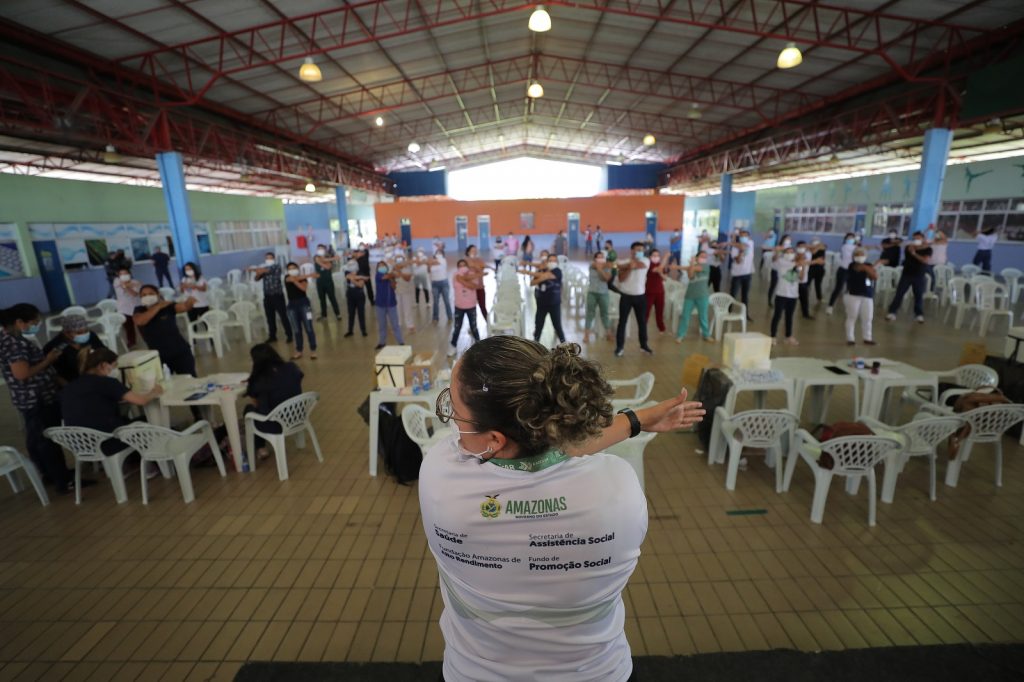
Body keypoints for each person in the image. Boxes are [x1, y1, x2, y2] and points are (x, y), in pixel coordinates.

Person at [419, 336, 705, 682]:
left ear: (494, 440)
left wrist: (635, 421)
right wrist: (635, 420)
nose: (453, 422)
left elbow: (563, 446)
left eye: (454, 410)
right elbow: (565, 446)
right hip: (597, 673)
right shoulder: (619, 490)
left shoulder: (441, 478)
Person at [0, 304, 82, 495]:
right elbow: (22, 374)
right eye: (34, 323)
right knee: (46, 440)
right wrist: (48, 360)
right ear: (20, 322)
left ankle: (52, 475)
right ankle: (63, 481)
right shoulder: (14, 344)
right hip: (35, 398)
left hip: (34, 397)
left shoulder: (12, 338)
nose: (36, 326)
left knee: (37, 438)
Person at [61, 347, 163, 455]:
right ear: (103, 365)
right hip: (106, 442)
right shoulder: (107, 383)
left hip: (80, 445)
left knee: (126, 421)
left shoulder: (70, 387)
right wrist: (155, 392)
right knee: (150, 422)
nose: (115, 370)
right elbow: (141, 401)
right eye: (114, 366)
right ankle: (157, 461)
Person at [243, 343, 304, 460]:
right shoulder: (292, 367)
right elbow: (298, 377)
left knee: (249, 410)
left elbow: (256, 402)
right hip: (298, 416)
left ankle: (261, 448)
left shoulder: (260, 379)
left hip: (274, 424)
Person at [133, 284, 197, 376]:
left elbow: (184, 307)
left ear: (158, 294)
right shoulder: (139, 310)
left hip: (180, 352)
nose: (147, 297)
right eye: (144, 295)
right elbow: (140, 321)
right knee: (165, 385)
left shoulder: (167, 307)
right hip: (158, 356)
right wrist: (158, 306)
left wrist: (189, 301)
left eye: (151, 294)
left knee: (190, 379)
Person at [42, 314, 106, 385]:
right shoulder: (54, 347)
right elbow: (54, 374)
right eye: (79, 332)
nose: (84, 334)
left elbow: (104, 352)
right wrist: (72, 388)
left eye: (86, 331)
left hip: (96, 375)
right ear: (66, 333)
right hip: (72, 382)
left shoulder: (91, 336)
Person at [614, 242, 652, 357]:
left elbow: (638, 265)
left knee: (642, 322)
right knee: (622, 322)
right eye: (637, 249)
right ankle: (619, 347)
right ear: (632, 251)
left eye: (641, 249)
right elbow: (621, 279)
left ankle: (644, 345)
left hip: (640, 296)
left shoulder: (646, 260)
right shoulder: (622, 261)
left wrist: (625, 266)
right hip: (626, 296)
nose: (640, 251)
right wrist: (628, 268)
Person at [886, 230, 932, 324]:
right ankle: (892, 312)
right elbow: (910, 248)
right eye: (915, 238)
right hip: (907, 274)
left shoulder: (928, 249)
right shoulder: (909, 247)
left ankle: (918, 314)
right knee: (900, 293)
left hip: (919, 275)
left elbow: (925, 261)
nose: (916, 240)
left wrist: (915, 253)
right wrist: (914, 250)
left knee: (918, 295)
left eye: (918, 238)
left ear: (923, 239)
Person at [250, 252, 293, 344]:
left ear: (273, 259)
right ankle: (272, 336)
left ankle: (289, 335)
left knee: (283, 316)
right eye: (267, 258)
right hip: (267, 296)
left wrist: (254, 269)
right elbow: (256, 278)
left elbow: (265, 271)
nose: (268, 260)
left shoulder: (276, 267)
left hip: (277, 295)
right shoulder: (264, 269)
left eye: (270, 258)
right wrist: (257, 273)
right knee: (270, 317)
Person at [769, 244, 805, 346]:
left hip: (793, 295)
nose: (789, 254)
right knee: (777, 315)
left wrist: (803, 266)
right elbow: (774, 259)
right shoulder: (781, 262)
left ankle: (788, 336)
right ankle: (772, 336)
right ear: (784, 254)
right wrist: (777, 251)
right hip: (781, 294)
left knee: (789, 316)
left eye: (791, 252)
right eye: (787, 252)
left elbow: (801, 278)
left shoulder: (797, 264)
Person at [675, 251, 713, 342]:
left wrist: (686, 265)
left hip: (702, 296)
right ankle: (681, 335)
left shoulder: (706, 267)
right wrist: (691, 265)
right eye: (701, 256)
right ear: (697, 257)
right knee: (685, 316)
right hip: (690, 296)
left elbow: (695, 268)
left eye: (705, 257)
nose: (703, 258)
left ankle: (706, 335)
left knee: (703, 316)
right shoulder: (692, 267)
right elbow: (690, 275)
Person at [844, 247, 878, 346]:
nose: (859, 257)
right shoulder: (852, 265)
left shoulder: (868, 265)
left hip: (867, 294)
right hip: (854, 294)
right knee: (852, 316)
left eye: (862, 254)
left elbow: (875, 276)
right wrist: (869, 269)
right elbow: (859, 268)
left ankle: (867, 338)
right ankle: (850, 338)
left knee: (868, 317)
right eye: (857, 255)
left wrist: (868, 269)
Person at [284, 262, 318, 360]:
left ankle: (313, 349)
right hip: (292, 306)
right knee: (297, 330)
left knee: (309, 328)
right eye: (290, 268)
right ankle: (299, 350)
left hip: (304, 304)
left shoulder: (303, 278)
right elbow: (291, 279)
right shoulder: (286, 277)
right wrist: (311, 275)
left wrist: (295, 280)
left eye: (294, 268)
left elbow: (303, 289)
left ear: (297, 269)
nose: (292, 270)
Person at [531, 254, 566, 345]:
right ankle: (535, 345)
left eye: (554, 261)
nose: (552, 262)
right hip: (542, 303)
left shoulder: (558, 271)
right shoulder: (541, 270)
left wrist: (542, 276)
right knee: (539, 326)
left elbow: (548, 277)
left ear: (557, 263)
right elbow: (532, 282)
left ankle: (565, 346)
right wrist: (541, 277)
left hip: (554, 304)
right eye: (550, 260)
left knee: (557, 326)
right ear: (547, 261)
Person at [449, 259, 482, 356]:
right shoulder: (455, 275)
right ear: (458, 267)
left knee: (474, 327)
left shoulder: (471, 275)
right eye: (460, 266)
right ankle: (453, 346)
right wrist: (466, 280)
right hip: (459, 306)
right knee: (457, 328)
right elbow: (467, 284)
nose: (462, 267)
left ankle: (479, 347)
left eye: (464, 265)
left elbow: (473, 286)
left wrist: (463, 280)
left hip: (471, 306)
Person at [374, 260, 404, 350]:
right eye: (380, 266)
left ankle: (401, 342)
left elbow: (394, 286)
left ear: (386, 267)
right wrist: (394, 272)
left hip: (391, 303)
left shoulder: (390, 276)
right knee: (382, 325)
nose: (382, 267)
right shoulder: (378, 275)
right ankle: (382, 342)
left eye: (383, 265)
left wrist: (393, 279)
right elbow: (385, 277)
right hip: (380, 304)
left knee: (395, 324)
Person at [583, 251, 612, 343]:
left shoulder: (607, 268)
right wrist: (601, 267)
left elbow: (606, 278)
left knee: (605, 314)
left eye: (602, 257)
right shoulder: (592, 266)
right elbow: (594, 265)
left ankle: (608, 334)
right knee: (590, 313)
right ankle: (586, 335)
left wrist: (600, 269)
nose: (600, 259)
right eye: (598, 257)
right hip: (592, 293)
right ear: (595, 259)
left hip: (603, 293)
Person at [826, 232, 858, 314]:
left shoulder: (856, 247)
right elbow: (852, 253)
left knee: (850, 289)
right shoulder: (845, 247)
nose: (850, 240)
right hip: (843, 270)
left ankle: (850, 307)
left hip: (853, 270)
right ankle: (830, 306)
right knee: (838, 288)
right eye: (849, 238)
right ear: (846, 239)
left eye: (852, 238)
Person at [727, 230, 754, 319]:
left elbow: (743, 246)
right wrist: (740, 252)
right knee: (733, 294)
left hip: (748, 274)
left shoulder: (750, 243)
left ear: (748, 237)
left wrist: (731, 243)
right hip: (737, 274)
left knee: (745, 295)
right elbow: (738, 261)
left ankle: (745, 314)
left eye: (745, 236)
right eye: (741, 236)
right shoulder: (734, 249)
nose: (743, 238)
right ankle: (728, 311)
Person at [112, 267, 141, 347]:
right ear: (118, 275)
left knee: (141, 324)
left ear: (129, 274)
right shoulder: (116, 281)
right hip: (123, 308)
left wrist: (127, 286)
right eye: (122, 274)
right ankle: (131, 342)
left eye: (126, 273)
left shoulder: (135, 281)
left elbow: (134, 294)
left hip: (136, 306)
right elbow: (122, 284)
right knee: (128, 326)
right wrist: (128, 285)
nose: (124, 275)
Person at [314, 245, 342, 321]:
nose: (320, 250)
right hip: (320, 282)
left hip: (328, 282)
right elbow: (321, 262)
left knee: (332, 298)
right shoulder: (316, 257)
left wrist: (325, 261)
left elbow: (328, 267)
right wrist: (332, 259)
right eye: (318, 249)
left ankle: (337, 314)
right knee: (322, 299)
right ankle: (324, 315)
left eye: (322, 249)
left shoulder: (328, 257)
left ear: (325, 250)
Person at [794, 242, 821, 320]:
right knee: (792, 299)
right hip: (795, 282)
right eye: (800, 247)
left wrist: (807, 246)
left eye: (803, 247)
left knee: (804, 299)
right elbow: (801, 264)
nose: (801, 248)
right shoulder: (794, 255)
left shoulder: (808, 254)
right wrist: (815, 261)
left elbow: (818, 247)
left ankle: (805, 314)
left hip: (803, 281)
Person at [342, 258, 369, 338]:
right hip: (350, 295)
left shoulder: (360, 271)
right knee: (351, 313)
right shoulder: (347, 272)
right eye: (349, 265)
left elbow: (361, 285)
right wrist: (361, 277)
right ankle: (350, 330)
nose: (351, 266)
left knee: (361, 313)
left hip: (359, 295)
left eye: (352, 264)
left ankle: (363, 330)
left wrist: (353, 279)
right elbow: (348, 277)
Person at [392, 252, 416, 334]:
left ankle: (410, 325)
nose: (399, 263)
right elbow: (392, 277)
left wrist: (400, 272)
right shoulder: (394, 269)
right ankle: (398, 324)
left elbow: (407, 278)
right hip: (397, 291)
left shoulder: (408, 269)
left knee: (407, 309)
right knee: (397, 309)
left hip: (406, 291)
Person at [645, 248, 667, 334]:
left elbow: (665, 278)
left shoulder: (660, 265)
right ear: (650, 257)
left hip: (660, 292)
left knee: (660, 312)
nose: (656, 257)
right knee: (646, 312)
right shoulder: (649, 265)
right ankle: (643, 328)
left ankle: (661, 328)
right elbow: (657, 269)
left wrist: (661, 273)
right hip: (649, 292)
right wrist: (665, 257)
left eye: (658, 255)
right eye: (654, 255)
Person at [465, 245, 490, 319]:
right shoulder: (465, 260)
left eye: (475, 250)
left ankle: (488, 323)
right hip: (471, 287)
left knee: (483, 306)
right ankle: (472, 326)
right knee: (471, 308)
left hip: (480, 286)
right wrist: (477, 268)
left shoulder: (479, 260)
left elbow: (483, 266)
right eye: (473, 250)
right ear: (468, 252)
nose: (474, 252)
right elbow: (471, 267)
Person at [428, 247, 453, 323]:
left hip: (444, 283)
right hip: (434, 283)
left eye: (440, 252)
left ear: (443, 254)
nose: (438, 254)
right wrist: (429, 264)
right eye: (437, 252)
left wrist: (430, 262)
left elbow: (436, 262)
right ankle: (435, 317)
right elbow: (429, 270)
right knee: (435, 301)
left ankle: (450, 316)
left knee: (446, 300)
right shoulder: (432, 262)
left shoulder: (443, 260)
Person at [766, 234, 790, 306]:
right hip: (776, 269)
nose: (788, 241)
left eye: (789, 239)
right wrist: (778, 252)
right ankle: (769, 300)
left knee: (783, 286)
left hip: (785, 270)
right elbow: (773, 259)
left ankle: (781, 302)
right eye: (787, 239)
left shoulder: (790, 249)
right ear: (783, 240)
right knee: (773, 285)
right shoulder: (778, 248)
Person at [808, 236, 826, 302]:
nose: (816, 241)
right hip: (811, 267)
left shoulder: (822, 247)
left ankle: (819, 298)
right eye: (814, 240)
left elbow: (822, 247)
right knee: (807, 283)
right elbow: (813, 252)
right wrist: (816, 247)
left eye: (817, 240)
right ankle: (803, 295)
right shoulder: (810, 248)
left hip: (820, 268)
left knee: (818, 284)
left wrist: (817, 247)